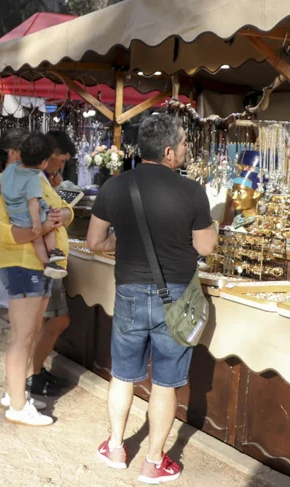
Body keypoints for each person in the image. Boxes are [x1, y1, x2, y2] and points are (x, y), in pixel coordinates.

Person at [87, 113, 217, 483]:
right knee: (165, 383)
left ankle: (115, 447)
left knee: (123, 375)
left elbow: (96, 242)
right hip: (176, 295)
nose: (187, 149)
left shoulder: (115, 186)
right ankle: (154, 461)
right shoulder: (192, 191)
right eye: (184, 143)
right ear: (169, 151)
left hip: (128, 290)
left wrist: (121, 242)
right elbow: (205, 245)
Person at [0, 129, 72, 427]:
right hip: (23, 266)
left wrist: (61, 217)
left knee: (30, 333)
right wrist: (45, 228)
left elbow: (64, 208)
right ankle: (18, 406)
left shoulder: (36, 179)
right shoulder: (4, 182)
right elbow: (7, 235)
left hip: (40, 267)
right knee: (22, 337)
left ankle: (16, 393)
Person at [26, 130, 76, 398]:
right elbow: (47, 218)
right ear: (51, 155)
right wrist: (60, 215)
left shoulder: (42, 180)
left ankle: (35, 370)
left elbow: (59, 214)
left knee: (51, 319)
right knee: (57, 319)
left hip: (49, 258)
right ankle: (32, 375)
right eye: (62, 160)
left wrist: (63, 211)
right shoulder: (34, 180)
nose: (62, 166)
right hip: (45, 260)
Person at [0, 131, 68, 279]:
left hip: (31, 263)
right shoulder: (30, 178)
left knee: (42, 234)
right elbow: (30, 204)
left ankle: (49, 260)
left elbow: (62, 206)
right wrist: (41, 225)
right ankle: (50, 257)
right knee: (41, 236)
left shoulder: (15, 173)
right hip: (24, 265)